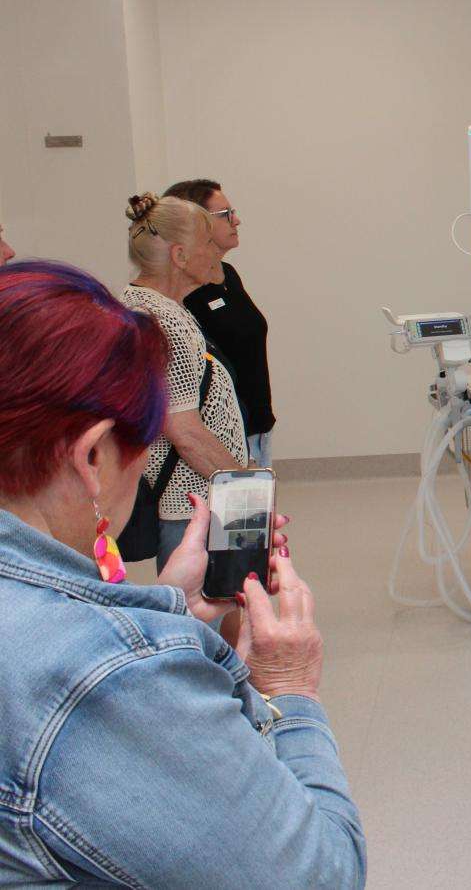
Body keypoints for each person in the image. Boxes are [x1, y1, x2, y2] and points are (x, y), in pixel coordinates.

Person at [0, 259, 365, 886]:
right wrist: (289, 692)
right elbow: (317, 876)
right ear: (93, 457)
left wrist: (171, 605)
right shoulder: (108, 679)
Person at [121, 194, 250, 571]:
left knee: (221, 597)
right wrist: (245, 491)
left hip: (199, 499)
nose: (216, 251)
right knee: (205, 600)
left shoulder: (156, 307)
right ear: (179, 255)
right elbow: (185, 432)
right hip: (191, 505)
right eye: (208, 241)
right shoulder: (161, 321)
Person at [165, 179, 276, 467]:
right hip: (218, 436)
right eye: (225, 214)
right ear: (195, 224)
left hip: (257, 427)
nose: (236, 220)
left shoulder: (229, 274)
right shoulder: (184, 290)